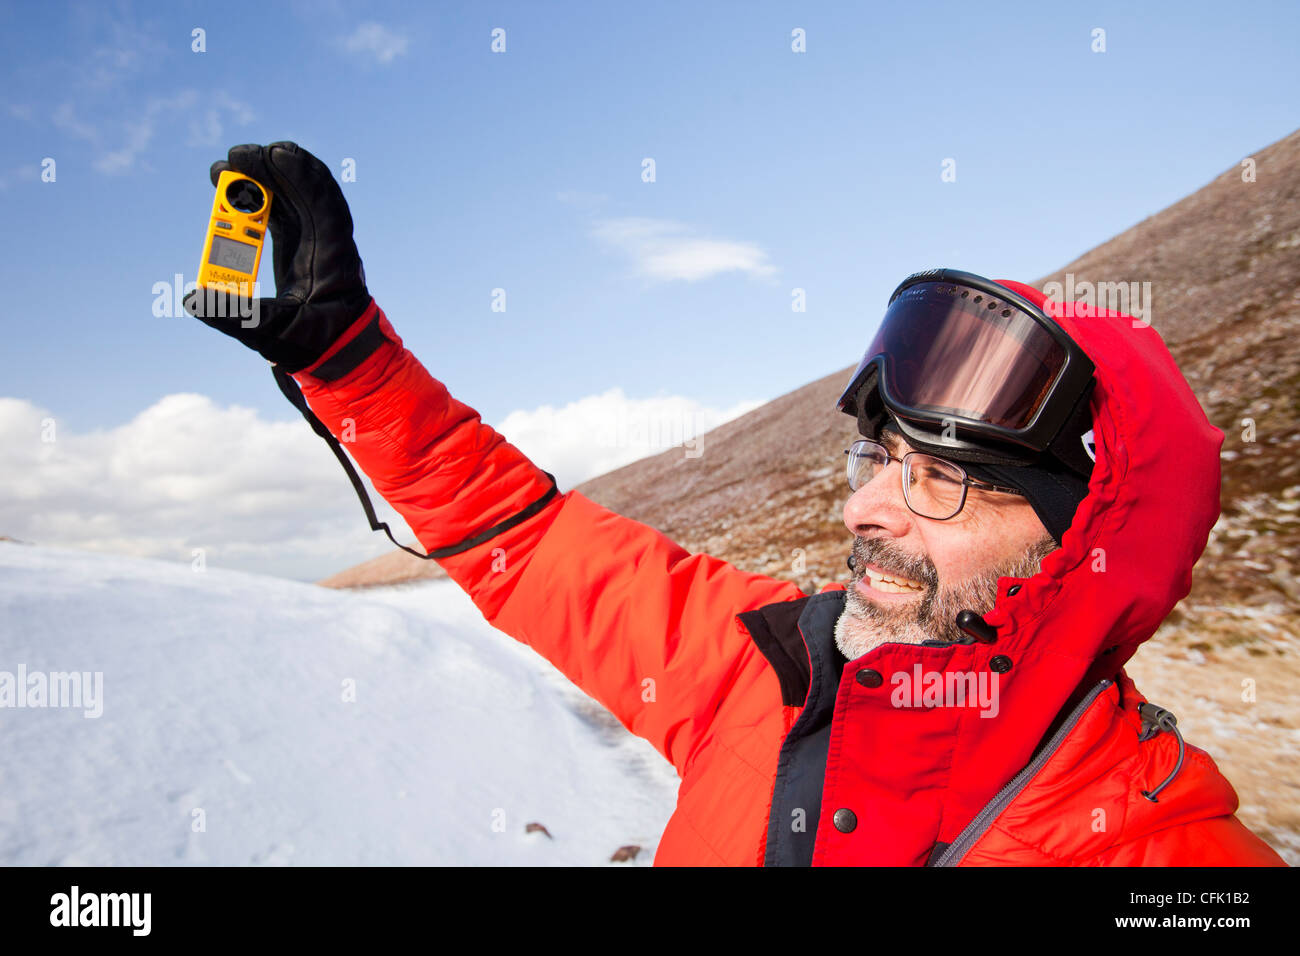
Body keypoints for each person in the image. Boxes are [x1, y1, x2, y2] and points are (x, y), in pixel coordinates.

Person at [185, 142, 1285, 866]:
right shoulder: (765, 664)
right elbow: (522, 533)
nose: (871, 511)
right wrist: (349, 358)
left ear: (1080, 544)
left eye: (942, 478)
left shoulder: (1168, 854)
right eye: (875, 459)